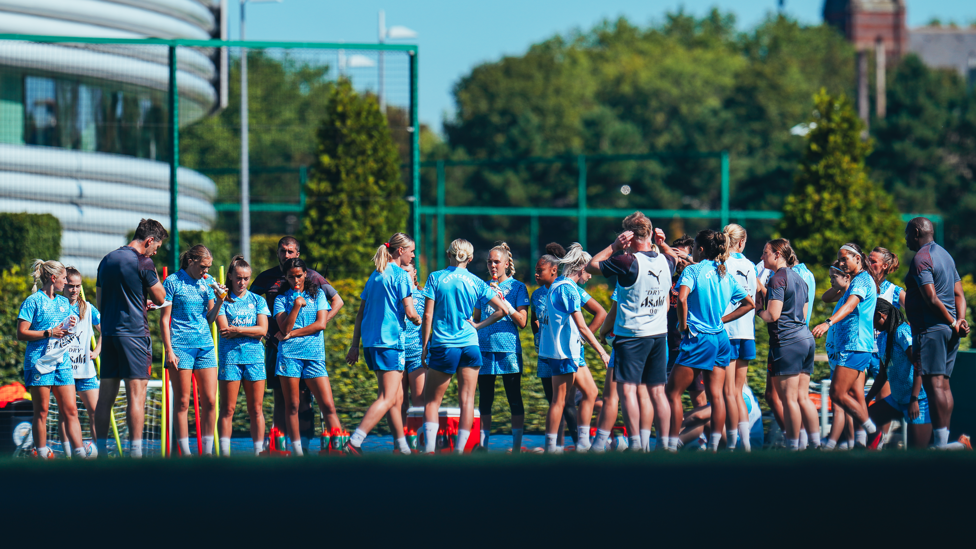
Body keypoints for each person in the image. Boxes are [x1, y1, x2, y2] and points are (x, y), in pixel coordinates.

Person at [587, 212, 676, 452]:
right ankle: (667, 445)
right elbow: (672, 254)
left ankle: (636, 444)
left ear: (628, 236)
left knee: (627, 391)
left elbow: (591, 265)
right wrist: (662, 242)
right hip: (659, 336)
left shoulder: (628, 261)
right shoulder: (668, 261)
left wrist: (614, 246)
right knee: (658, 392)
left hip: (632, 336)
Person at [251, 236, 344, 452]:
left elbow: (337, 302)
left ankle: (316, 443)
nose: (286, 255)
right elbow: (248, 301)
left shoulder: (313, 277)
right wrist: (263, 331)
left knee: (308, 400)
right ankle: (282, 445)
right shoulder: (268, 279)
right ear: (277, 253)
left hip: (309, 350)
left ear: (298, 255)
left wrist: (318, 325)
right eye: (282, 251)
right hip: (279, 348)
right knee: (282, 400)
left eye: (290, 252)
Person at [666, 229, 754, 452]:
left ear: (701, 249)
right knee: (717, 396)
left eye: (694, 246)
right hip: (720, 339)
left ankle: (669, 445)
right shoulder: (724, 273)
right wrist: (721, 320)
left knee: (672, 393)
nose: (693, 250)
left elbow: (682, 298)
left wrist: (684, 327)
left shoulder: (693, 270)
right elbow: (749, 304)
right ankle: (715, 447)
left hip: (699, 338)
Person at [420, 239, 509, 453]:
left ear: (448, 253)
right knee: (467, 401)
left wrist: (424, 347)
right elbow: (503, 310)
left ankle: (430, 451)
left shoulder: (435, 278)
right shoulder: (476, 282)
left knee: (431, 402)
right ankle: (460, 452)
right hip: (470, 345)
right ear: (469, 259)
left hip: (444, 345)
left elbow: (427, 315)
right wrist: (478, 325)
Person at [94, 218, 167, 458]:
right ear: (148, 241)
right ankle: (135, 454)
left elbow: (100, 303)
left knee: (105, 397)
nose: (155, 252)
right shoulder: (144, 262)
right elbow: (160, 297)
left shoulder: (107, 260)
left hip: (110, 333)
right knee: (137, 395)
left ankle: (101, 452)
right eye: (156, 247)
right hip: (134, 334)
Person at [344, 233, 422, 455]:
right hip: (390, 343)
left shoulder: (375, 275)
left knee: (396, 399)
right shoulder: (400, 276)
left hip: (371, 344)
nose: (413, 255)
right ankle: (355, 441)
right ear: (400, 251)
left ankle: (403, 448)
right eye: (411, 251)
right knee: (388, 398)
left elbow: (361, 314)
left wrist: (354, 345)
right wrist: (419, 320)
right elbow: (410, 311)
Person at [903, 217, 970, 449]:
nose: (905, 239)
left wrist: (953, 322)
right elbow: (959, 294)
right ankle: (947, 442)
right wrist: (960, 320)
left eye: (907, 234)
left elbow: (930, 297)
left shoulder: (922, 258)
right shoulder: (946, 255)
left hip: (931, 330)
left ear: (917, 232)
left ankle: (942, 444)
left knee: (934, 387)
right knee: (944, 385)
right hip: (948, 332)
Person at [539, 244, 610, 453]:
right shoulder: (567, 289)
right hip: (564, 353)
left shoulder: (559, 285)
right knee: (558, 401)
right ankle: (552, 447)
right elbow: (582, 327)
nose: (590, 276)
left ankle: (583, 443)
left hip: (570, 352)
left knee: (591, 392)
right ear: (581, 268)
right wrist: (602, 351)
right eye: (589, 270)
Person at [161, 245, 227, 456]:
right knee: (182, 401)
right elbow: (164, 320)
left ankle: (207, 452)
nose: (206, 272)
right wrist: (169, 350)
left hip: (205, 346)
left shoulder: (207, 282)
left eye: (209, 267)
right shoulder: (172, 281)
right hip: (180, 346)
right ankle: (185, 452)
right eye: (203, 267)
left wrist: (219, 301)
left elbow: (209, 319)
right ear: (191, 261)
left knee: (210, 400)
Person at [812, 243, 879, 447]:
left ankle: (873, 432)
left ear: (858, 259)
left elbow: (850, 306)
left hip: (855, 346)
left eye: (844, 259)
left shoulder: (862, 280)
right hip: (853, 346)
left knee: (837, 393)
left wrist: (828, 322)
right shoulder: (855, 281)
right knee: (856, 396)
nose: (841, 263)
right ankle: (861, 442)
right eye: (839, 259)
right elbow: (828, 297)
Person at [17, 260, 86, 459]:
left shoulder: (64, 302)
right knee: (42, 412)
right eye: (64, 278)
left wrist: (70, 323)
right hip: (39, 363)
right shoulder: (33, 301)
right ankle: (41, 455)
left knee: (71, 409)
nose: (67, 283)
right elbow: (22, 333)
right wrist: (48, 333)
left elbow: (65, 330)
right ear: (54, 278)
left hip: (61, 361)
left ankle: (81, 456)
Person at [274, 258, 343, 456]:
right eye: (291, 276)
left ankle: (338, 447)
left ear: (305, 274)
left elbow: (321, 324)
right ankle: (297, 452)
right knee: (293, 405)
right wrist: (296, 306)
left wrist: (292, 334)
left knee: (328, 405)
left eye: (299, 275)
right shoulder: (280, 299)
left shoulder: (319, 294)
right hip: (289, 356)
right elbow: (283, 327)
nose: (295, 280)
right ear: (285, 277)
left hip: (314, 356)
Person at [757, 239, 817, 451]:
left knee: (789, 398)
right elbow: (801, 312)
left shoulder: (777, 279)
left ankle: (793, 447)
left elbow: (773, 314)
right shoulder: (800, 279)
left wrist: (757, 311)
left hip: (788, 342)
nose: (762, 257)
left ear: (777, 254)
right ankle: (816, 444)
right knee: (803, 397)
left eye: (765, 253)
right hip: (805, 339)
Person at [473, 242, 530, 453]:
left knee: (514, 398)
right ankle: (483, 446)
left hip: (508, 350)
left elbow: (523, 322)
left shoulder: (518, 287)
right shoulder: (482, 286)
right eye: (489, 261)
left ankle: (516, 447)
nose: (492, 265)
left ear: (507, 263)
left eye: (497, 261)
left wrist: (503, 300)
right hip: (484, 349)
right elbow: (476, 318)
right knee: (485, 399)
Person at [863, 299, 937, 449]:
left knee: (916, 455)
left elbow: (919, 364)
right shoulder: (883, 337)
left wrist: (914, 399)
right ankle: (873, 448)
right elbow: (882, 376)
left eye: (871, 319)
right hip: (897, 399)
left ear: (881, 316)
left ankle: (960, 445)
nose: (871, 325)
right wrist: (866, 400)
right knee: (866, 417)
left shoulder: (902, 331)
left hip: (919, 400)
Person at [216, 255, 270, 456]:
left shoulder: (258, 300)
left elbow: (263, 329)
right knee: (227, 409)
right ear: (230, 276)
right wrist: (250, 330)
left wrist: (238, 330)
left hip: (255, 360)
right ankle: (224, 454)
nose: (242, 282)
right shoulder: (222, 300)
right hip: (230, 360)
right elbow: (223, 329)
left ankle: (258, 452)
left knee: (256, 409)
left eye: (246, 278)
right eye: (238, 278)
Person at [722, 223, 758, 451]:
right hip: (747, 332)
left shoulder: (721, 264)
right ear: (742, 242)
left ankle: (731, 443)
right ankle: (745, 443)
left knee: (727, 393)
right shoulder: (751, 266)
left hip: (727, 332)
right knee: (738, 390)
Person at [59, 267, 101, 456]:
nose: (74, 290)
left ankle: (99, 452)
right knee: (66, 415)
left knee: (96, 412)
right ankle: (69, 454)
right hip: (63, 370)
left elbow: (105, 330)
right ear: (63, 285)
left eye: (77, 286)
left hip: (85, 371)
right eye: (70, 286)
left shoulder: (88, 308)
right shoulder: (57, 306)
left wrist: (97, 351)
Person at [401, 263, 427, 412]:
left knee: (419, 402)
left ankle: (422, 435)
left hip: (417, 354)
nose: (404, 275)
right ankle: (403, 435)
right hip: (398, 353)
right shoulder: (395, 295)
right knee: (400, 402)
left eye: (407, 271)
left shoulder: (424, 296)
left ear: (414, 272)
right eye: (401, 272)